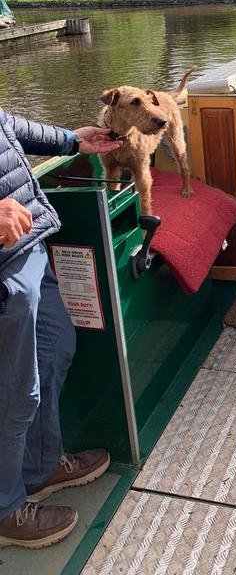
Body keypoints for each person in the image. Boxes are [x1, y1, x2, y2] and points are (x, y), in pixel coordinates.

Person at [0, 111, 122, 549]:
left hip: (28, 248)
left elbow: (6, 125)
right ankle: (6, 511)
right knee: (15, 393)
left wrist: (72, 141)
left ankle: (39, 467)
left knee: (56, 349)